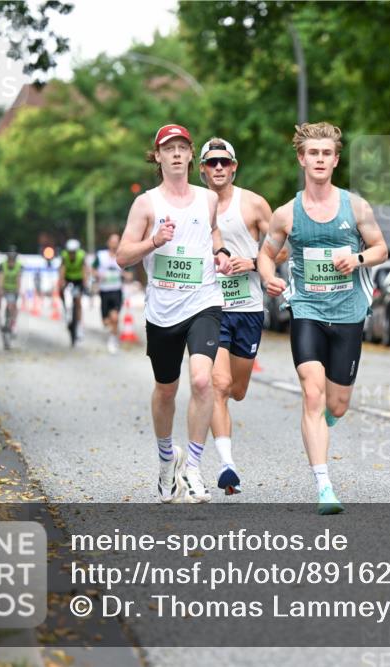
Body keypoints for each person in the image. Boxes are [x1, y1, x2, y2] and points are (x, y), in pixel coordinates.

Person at [257, 122, 388, 515]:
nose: (319, 160)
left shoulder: (356, 206)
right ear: (302, 159)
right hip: (307, 310)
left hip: (348, 311)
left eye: (326, 154)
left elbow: (381, 248)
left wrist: (359, 258)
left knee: (338, 403)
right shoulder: (286, 213)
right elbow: (267, 253)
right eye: (312, 153)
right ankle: (324, 486)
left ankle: (327, 418)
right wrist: (268, 277)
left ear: (335, 159)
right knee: (311, 392)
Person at [116, 123, 233, 503]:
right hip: (163, 310)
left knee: (203, 382)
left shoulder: (207, 199)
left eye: (183, 147)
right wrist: (154, 241)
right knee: (166, 390)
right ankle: (168, 458)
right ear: (159, 156)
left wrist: (221, 254)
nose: (178, 154)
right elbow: (122, 256)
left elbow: (213, 233)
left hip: (204, 301)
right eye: (170, 149)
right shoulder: (147, 203)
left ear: (189, 153)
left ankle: (195, 467)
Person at [199, 137, 286, 495]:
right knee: (215, 386)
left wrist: (251, 263)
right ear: (202, 169)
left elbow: (284, 249)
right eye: (211, 162)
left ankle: (226, 457)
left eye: (224, 162)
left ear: (234, 167)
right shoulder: (191, 204)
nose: (218, 168)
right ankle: (226, 465)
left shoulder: (252, 204)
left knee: (237, 389)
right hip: (209, 307)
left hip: (248, 307)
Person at [93, 233, 125, 354]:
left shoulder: (122, 256)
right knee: (106, 321)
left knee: (115, 317)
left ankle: (113, 339)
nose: (115, 244)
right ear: (108, 243)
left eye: (117, 241)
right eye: (113, 241)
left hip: (117, 290)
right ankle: (113, 330)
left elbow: (127, 271)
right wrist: (97, 274)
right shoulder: (101, 256)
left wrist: (126, 275)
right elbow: (93, 269)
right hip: (104, 291)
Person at [60, 238, 88, 344]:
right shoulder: (64, 255)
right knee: (64, 296)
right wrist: (61, 282)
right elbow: (62, 269)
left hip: (78, 280)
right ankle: (67, 313)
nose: (71, 254)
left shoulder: (81, 256)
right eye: (70, 252)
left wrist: (85, 283)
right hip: (68, 279)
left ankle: (79, 326)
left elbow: (84, 270)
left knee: (78, 302)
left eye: (73, 252)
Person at [0, 246, 22, 333]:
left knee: (12, 305)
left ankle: (13, 323)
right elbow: (0, 278)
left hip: (13, 289)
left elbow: (18, 279)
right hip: (4, 287)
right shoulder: (2, 265)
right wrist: (0, 288)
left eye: (13, 258)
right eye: (10, 258)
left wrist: (18, 289)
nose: (11, 261)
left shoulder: (19, 266)